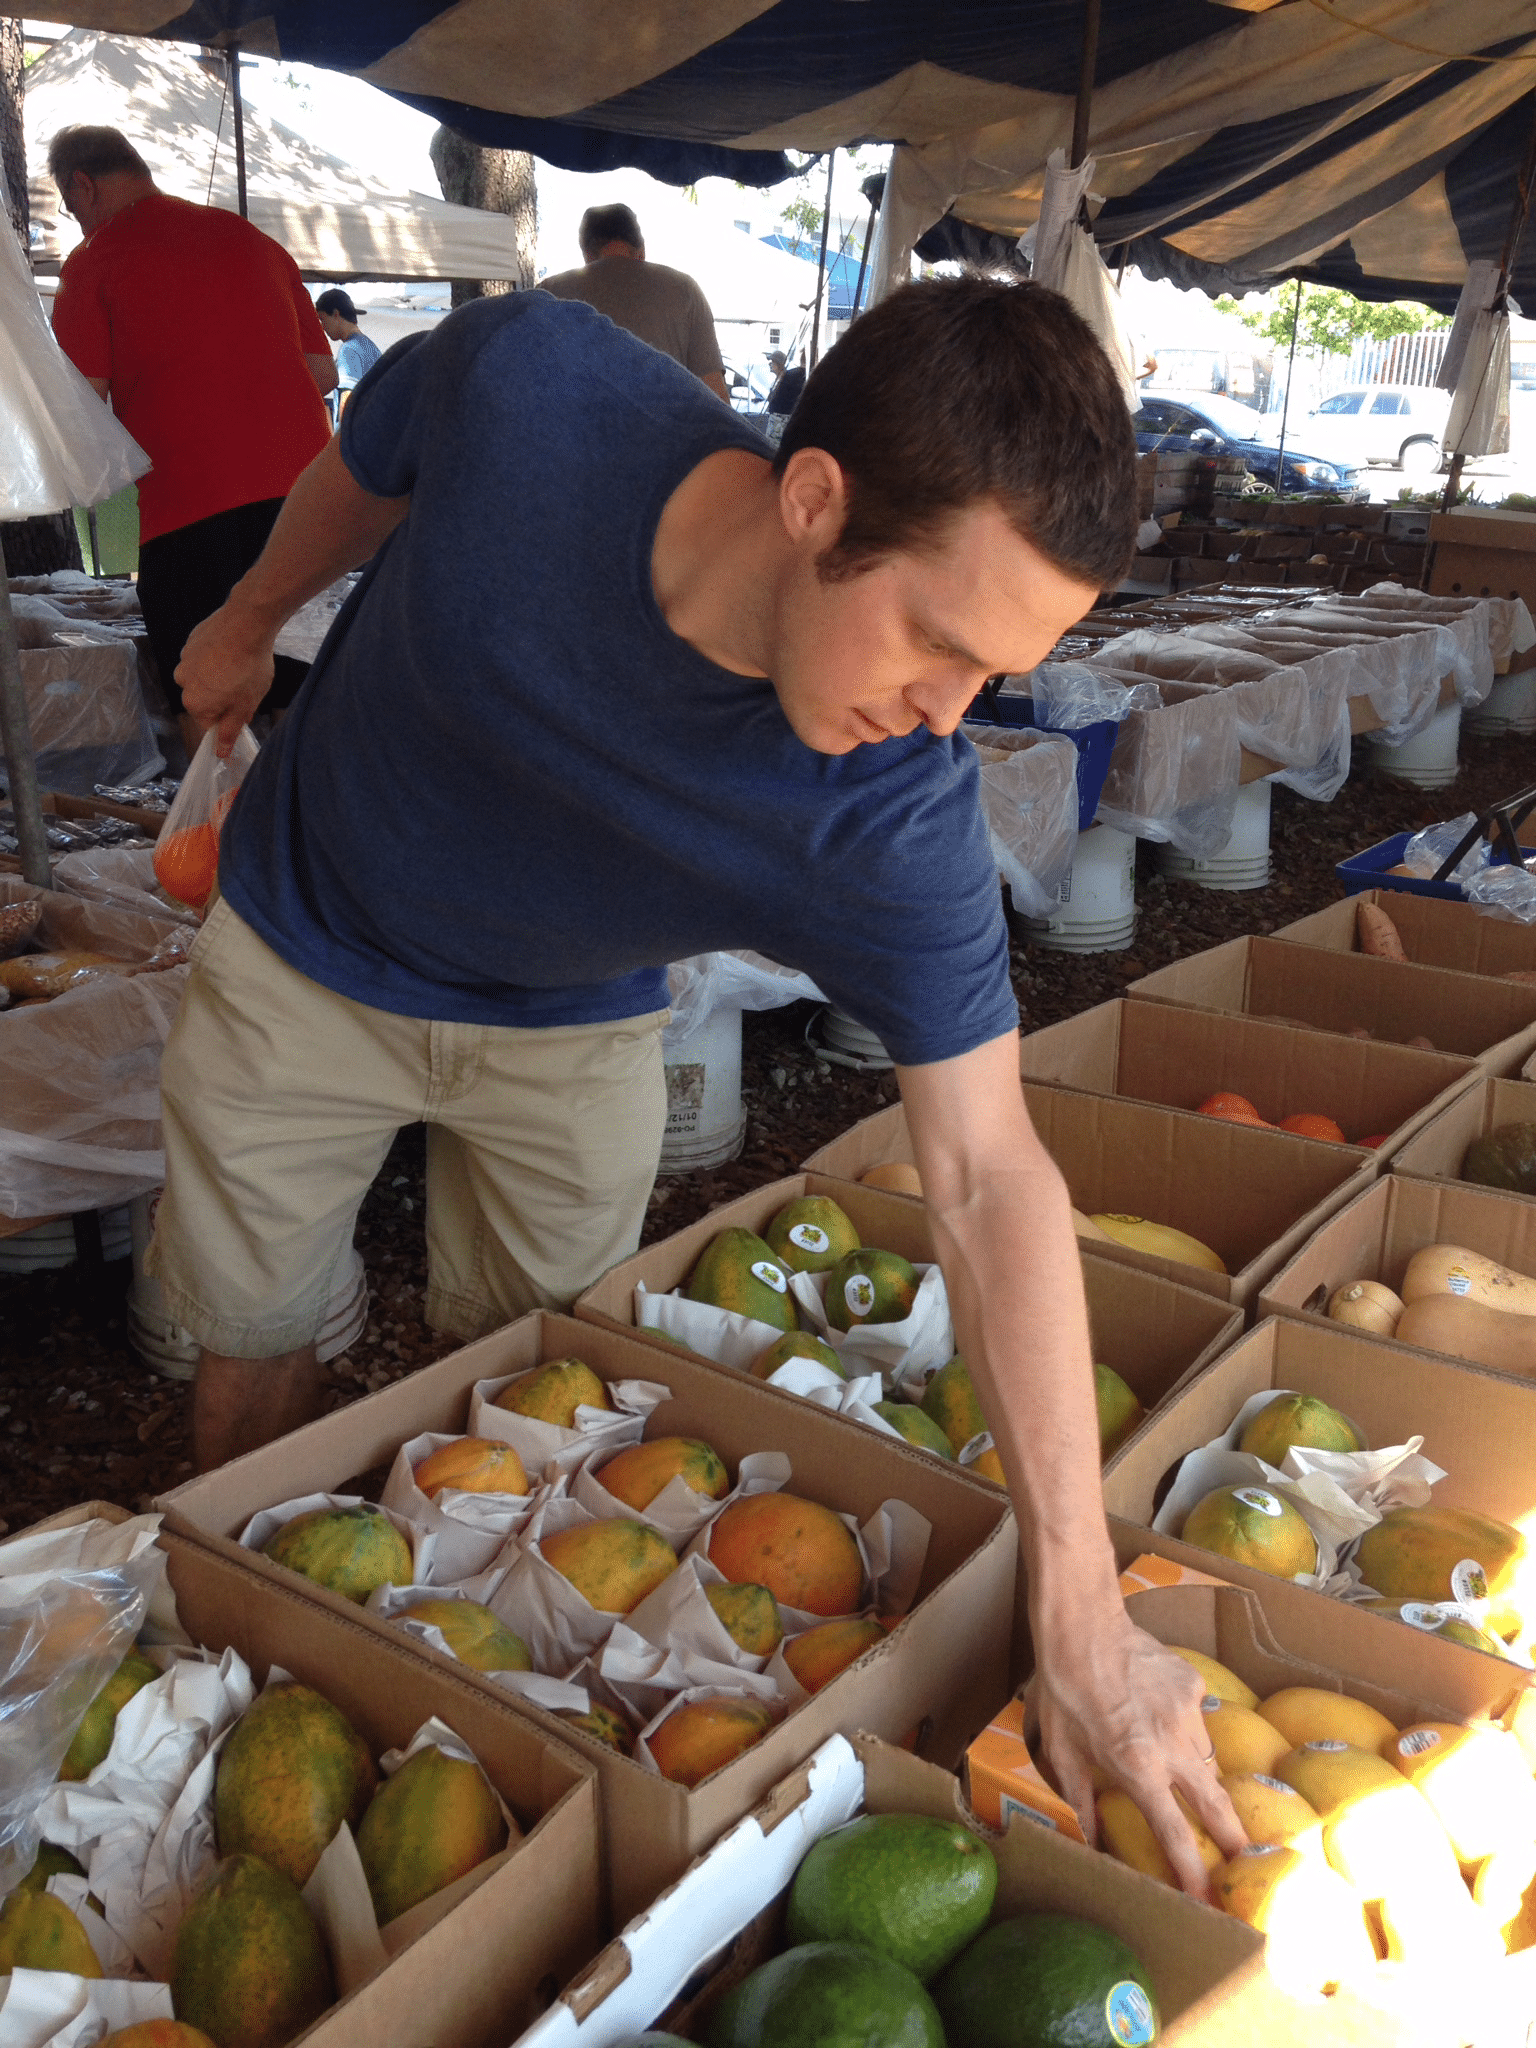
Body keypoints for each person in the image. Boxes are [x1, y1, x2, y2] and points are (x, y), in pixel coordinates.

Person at [164, 273, 1242, 1898]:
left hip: (576, 1020)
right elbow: (364, 465)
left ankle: (434, 1714)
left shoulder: (891, 819)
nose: (944, 718)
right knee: (247, 1342)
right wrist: (251, 615)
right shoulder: (534, 388)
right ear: (814, 499)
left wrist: (1082, 1610)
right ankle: (225, 1638)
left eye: (990, 679)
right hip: (313, 925)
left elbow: (987, 1174)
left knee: (534, 1390)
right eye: (941, 643)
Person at [48, 126, 337, 756]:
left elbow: (76, 405)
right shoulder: (252, 241)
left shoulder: (95, 261)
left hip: (191, 501)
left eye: (73, 211)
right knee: (293, 675)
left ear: (82, 184)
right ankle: (314, 833)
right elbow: (325, 372)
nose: (77, 224)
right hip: (306, 498)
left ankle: (217, 843)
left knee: (204, 690)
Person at [542, 202, 729, 401]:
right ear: (641, 250)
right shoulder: (684, 289)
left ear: (586, 253)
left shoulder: (550, 292)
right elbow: (715, 394)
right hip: (664, 429)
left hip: (575, 429)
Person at [314, 288, 382, 417]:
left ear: (336, 314)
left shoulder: (349, 350)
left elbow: (346, 402)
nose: (322, 327)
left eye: (322, 319)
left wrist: (342, 436)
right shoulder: (371, 348)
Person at [766, 350, 806, 416]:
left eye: (772, 362)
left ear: (779, 364)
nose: (770, 364)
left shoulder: (787, 379)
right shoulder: (776, 381)